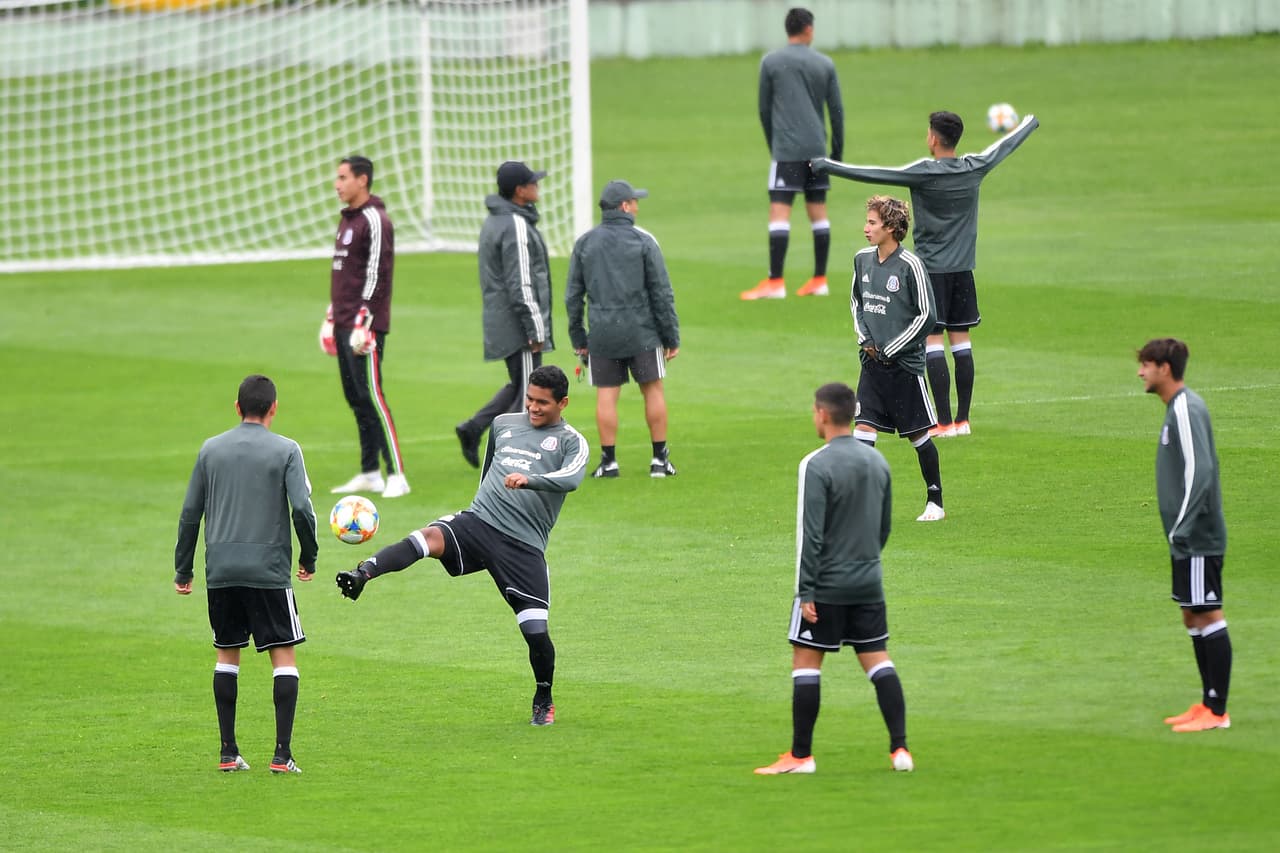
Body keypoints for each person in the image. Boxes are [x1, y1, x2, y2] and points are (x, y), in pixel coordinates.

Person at [338, 365, 587, 726]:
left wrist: (530, 480)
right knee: (428, 537)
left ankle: (543, 695)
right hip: (480, 521)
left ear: (562, 403)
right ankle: (363, 573)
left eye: (542, 403)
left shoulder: (570, 441)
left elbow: (572, 478)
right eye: (529, 399)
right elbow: (488, 471)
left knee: (535, 633)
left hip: (522, 545)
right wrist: (478, 513)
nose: (533, 407)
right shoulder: (503, 424)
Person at [813, 110, 1038, 435]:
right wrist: (1029, 122)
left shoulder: (923, 173)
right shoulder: (974, 166)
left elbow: (875, 173)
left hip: (930, 273)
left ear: (933, 138)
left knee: (933, 342)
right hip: (963, 271)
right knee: (962, 343)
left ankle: (943, 422)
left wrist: (828, 165)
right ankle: (963, 420)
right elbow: (1004, 146)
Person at [754, 382, 913, 775]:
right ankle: (900, 750)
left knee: (806, 663)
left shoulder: (816, 464)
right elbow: (884, 526)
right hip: (868, 581)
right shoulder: (878, 462)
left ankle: (801, 756)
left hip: (825, 585)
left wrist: (806, 590)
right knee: (877, 661)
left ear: (823, 414)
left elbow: (811, 534)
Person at [173, 375, 319, 774]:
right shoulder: (287, 450)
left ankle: (227, 752)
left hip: (221, 570)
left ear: (237, 408)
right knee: (283, 656)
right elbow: (302, 510)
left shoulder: (210, 450)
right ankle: (282, 755)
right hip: (268, 571)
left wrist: (183, 569)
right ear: (274, 408)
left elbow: (190, 513)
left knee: (227, 655)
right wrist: (309, 557)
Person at [1137, 338, 1232, 733]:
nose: (1140, 372)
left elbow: (1200, 472)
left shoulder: (1186, 409)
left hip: (1196, 537)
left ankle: (1217, 711)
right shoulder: (1176, 408)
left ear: (1164, 367)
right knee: (1191, 614)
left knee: (1207, 612)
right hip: (1186, 537)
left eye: (1145, 365)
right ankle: (1208, 701)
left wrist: (1182, 527)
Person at [565, 179, 681, 478]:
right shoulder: (644, 240)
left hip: (603, 332)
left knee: (606, 395)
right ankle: (658, 461)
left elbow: (573, 296)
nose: (638, 207)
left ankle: (608, 462)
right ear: (625, 206)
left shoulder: (585, 243)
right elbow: (661, 292)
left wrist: (579, 337)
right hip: (643, 331)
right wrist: (671, 336)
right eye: (635, 202)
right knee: (653, 390)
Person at [849, 195, 945, 522]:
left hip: (904, 367)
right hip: (872, 365)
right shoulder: (862, 260)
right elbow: (857, 303)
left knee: (919, 437)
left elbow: (927, 316)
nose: (866, 228)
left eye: (872, 223)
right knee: (863, 430)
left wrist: (891, 347)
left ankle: (935, 500)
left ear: (891, 227)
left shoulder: (911, 266)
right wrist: (866, 340)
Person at [455, 161, 556, 468]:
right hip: (518, 325)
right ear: (519, 191)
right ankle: (507, 459)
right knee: (530, 394)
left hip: (503, 319)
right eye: (532, 183)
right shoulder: (514, 224)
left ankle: (474, 429)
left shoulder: (497, 220)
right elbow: (520, 282)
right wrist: (536, 329)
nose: (537, 186)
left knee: (518, 385)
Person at [741, 6, 844, 301]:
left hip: (786, 149)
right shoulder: (825, 64)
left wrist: (774, 143)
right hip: (817, 150)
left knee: (779, 212)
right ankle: (819, 279)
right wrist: (836, 153)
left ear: (788, 30)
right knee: (818, 212)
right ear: (809, 29)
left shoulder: (771, 62)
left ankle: (776, 282)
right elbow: (836, 111)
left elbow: (763, 109)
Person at [327, 154, 410, 499]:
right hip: (344, 321)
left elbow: (378, 275)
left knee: (373, 395)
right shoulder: (347, 220)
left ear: (362, 180)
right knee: (355, 396)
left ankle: (397, 474)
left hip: (365, 326)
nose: (337, 184)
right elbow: (345, 275)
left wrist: (365, 322)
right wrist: (331, 315)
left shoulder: (375, 220)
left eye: (343, 177)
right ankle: (370, 471)